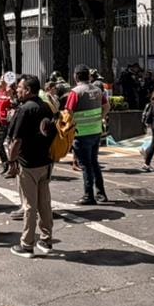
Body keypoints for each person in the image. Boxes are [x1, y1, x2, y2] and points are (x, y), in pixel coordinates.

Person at [7, 74, 57, 258]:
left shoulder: (25, 110)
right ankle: (46, 240)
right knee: (44, 202)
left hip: (28, 164)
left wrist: (11, 161)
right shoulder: (46, 107)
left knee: (29, 205)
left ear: (28, 90)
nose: (17, 90)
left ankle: (27, 245)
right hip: (46, 162)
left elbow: (16, 140)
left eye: (20, 87)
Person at [64, 65, 110, 205]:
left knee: (86, 165)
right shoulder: (97, 90)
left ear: (75, 76)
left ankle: (88, 196)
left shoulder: (76, 92)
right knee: (94, 162)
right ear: (88, 76)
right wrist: (100, 118)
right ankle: (101, 194)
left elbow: (68, 112)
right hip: (96, 131)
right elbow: (107, 106)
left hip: (81, 133)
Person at [0, 72, 17, 165]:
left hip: (9, 123)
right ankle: (6, 164)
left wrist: (11, 95)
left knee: (10, 145)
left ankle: (13, 165)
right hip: (1, 123)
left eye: (2, 79)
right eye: (0, 79)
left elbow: (16, 105)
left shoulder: (12, 92)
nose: (0, 80)